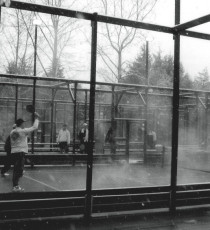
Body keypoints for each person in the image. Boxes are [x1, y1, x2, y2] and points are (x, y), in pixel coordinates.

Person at [10, 113, 40, 192]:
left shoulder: (12, 131)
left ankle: (16, 183)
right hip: (20, 152)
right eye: (23, 123)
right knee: (18, 170)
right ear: (21, 124)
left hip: (14, 152)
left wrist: (24, 134)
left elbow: (19, 137)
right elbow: (35, 127)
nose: (24, 124)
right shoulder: (22, 131)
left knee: (17, 169)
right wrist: (37, 118)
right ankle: (15, 186)